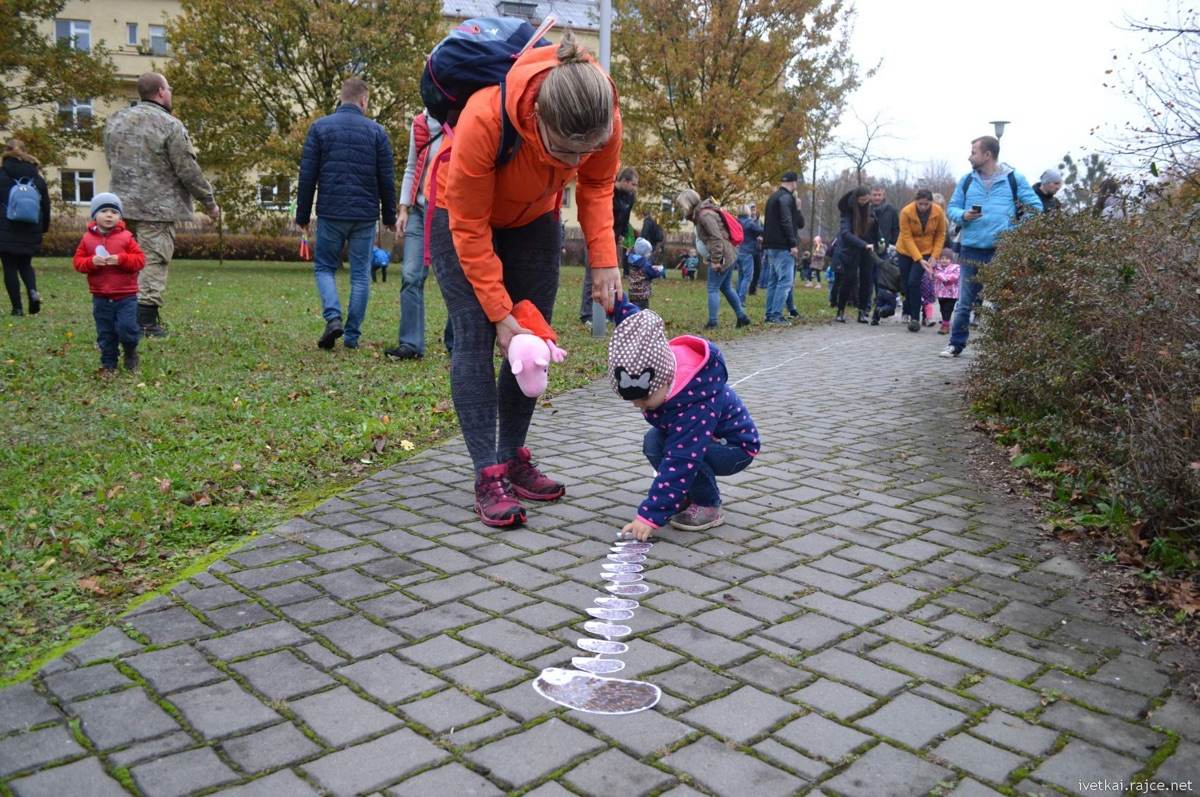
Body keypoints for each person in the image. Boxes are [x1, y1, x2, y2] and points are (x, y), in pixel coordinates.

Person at [430, 33, 622, 527]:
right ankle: (486, 472)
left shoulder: (602, 111)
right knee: (476, 335)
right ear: (536, 119)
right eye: (564, 152)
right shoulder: (485, 118)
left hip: (534, 217)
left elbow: (598, 184)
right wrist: (498, 312)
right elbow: (469, 229)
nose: (576, 163)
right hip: (462, 217)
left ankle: (513, 455)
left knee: (531, 337)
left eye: (588, 150)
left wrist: (604, 258)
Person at [607, 299, 760, 541]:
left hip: (734, 448)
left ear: (664, 380)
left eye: (644, 399)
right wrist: (615, 304)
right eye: (633, 401)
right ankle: (687, 493)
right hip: (707, 439)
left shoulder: (695, 405)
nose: (639, 405)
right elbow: (638, 326)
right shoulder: (660, 366)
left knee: (679, 453)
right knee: (653, 442)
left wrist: (650, 515)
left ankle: (709, 505)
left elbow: (682, 458)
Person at [104, 72, 219, 338]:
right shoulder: (170, 125)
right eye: (169, 88)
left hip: (120, 206)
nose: (171, 92)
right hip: (157, 207)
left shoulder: (116, 120)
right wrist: (209, 202)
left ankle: (118, 313)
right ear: (160, 92)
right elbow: (187, 168)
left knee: (122, 260)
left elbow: (111, 159)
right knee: (153, 260)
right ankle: (145, 320)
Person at [296, 78, 398, 351]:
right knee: (361, 275)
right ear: (363, 101)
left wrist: (302, 215)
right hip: (364, 215)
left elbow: (307, 176)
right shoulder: (377, 132)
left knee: (324, 267)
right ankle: (352, 336)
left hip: (330, 212)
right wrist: (389, 217)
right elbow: (386, 178)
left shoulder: (319, 128)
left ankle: (333, 318)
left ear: (341, 98)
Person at [942, 135, 1042, 357]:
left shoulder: (1014, 179)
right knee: (965, 301)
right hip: (970, 248)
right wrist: (964, 216)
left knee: (1000, 300)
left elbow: (1036, 208)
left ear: (987, 155)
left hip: (1001, 249)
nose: (970, 157)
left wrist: (1013, 230)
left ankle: (998, 349)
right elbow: (952, 209)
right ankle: (955, 343)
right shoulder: (967, 180)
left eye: (974, 152)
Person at [387, 109, 449, 361]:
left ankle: (457, 343)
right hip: (420, 212)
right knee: (410, 275)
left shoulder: (463, 118)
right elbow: (412, 167)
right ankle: (410, 344)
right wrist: (403, 208)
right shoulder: (420, 124)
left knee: (455, 280)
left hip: (450, 212)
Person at [71, 193, 146, 375]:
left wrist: (121, 259)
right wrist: (91, 262)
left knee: (127, 329)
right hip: (101, 297)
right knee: (105, 332)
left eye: (114, 211)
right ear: (95, 215)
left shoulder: (127, 238)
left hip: (126, 295)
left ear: (120, 216)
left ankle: (130, 352)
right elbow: (78, 262)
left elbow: (140, 260)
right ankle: (108, 364)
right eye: (104, 211)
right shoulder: (87, 239)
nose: (109, 215)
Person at [676, 189, 751, 330]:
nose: (681, 209)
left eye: (681, 205)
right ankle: (742, 317)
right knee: (726, 287)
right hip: (727, 253)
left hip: (722, 256)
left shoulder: (705, 216)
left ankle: (713, 322)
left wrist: (716, 260)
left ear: (688, 203)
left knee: (712, 288)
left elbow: (716, 239)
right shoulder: (702, 213)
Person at [0, 139, 51, 316]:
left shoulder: (2, 174)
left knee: (9, 267)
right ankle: (32, 291)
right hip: (31, 227)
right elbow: (45, 205)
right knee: (26, 264)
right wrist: (43, 228)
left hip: (5, 227)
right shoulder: (37, 177)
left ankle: (17, 308)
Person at [582, 167, 636, 321]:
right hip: (598, 237)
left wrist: (624, 236)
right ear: (624, 181)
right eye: (633, 184)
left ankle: (607, 312)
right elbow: (599, 215)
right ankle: (587, 314)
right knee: (592, 275)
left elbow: (625, 219)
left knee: (611, 276)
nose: (635, 188)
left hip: (614, 239)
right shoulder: (608, 192)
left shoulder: (630, 197)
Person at [895, 189, 947, 332]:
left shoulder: (938, 212)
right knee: (906, 284)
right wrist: (917, 258)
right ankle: (909, 310)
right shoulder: (906, 212)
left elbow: (940, 235)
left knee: (914, 282)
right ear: (915, 201)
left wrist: (934, 256)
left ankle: (915, 318)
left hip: (926, 251)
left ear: (931, 202)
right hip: (905, 250)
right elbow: (906, 237)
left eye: (926, 204)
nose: (923, 207)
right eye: (920, 204)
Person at [833, 186, 878, 324]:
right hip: (852, 249)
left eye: (866, 200)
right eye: (862, 200)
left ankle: (863, 311)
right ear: (856, 199)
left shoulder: (871, 212)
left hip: (867, 250)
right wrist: (862, 244)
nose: (864, 202)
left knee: (866, 281)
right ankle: (840, 310)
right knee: (848, 279)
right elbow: (845, 234)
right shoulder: (848, 212)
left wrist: (880, 243)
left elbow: (876, 231)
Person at [762, 172, 800, 324]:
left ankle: (769, 313)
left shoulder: (773, 197)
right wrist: (792, 243)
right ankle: (776, 315)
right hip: (783, 245)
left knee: (773, 281)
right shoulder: (787, 198)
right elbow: (786, 221)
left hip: (770, 245)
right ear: (794, 183)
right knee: (785, 281)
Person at [626, 237, 664, 309]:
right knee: (643, 312)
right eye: (648, 252)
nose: (649, 254)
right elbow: (653, 273)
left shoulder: (631, 260)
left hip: (632, 293)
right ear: (644, 253)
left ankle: (633, 319)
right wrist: (660, 271)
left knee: (634, 311)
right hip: (642, 294)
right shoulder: (644, 264)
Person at [735, 204, 763, 302]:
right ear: (747, 211)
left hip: (738, 251)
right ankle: (741, 299)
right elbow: (761, 231)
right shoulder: (750, 223)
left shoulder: (736, 222)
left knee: (741, 276)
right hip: (748, 252)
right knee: (747, 277)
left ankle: (737, 298)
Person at [932, 247, 960, 335]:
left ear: (951, 259)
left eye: (947, 259)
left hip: (951, 294)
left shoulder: (956, 268)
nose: (944, 261)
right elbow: (931, 274)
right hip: (940, 294)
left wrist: (939, 275)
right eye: (942, 258)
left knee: (948, 309)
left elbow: (952, 278)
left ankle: (946, 326)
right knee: (942, 309)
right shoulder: (937, 267)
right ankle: (945, 322)